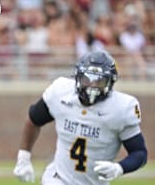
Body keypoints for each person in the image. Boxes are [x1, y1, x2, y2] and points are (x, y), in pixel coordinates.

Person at [13, 50, 147, 185]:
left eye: (99, 81)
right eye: (87, 79)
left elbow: (139, 153)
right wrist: (23, 158)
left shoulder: (120, 109)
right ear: (77, 77)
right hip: (57, 179)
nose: (92, 86)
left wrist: (119, 168)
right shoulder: (61, 93)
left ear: (110, 83)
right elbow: (34, 119)